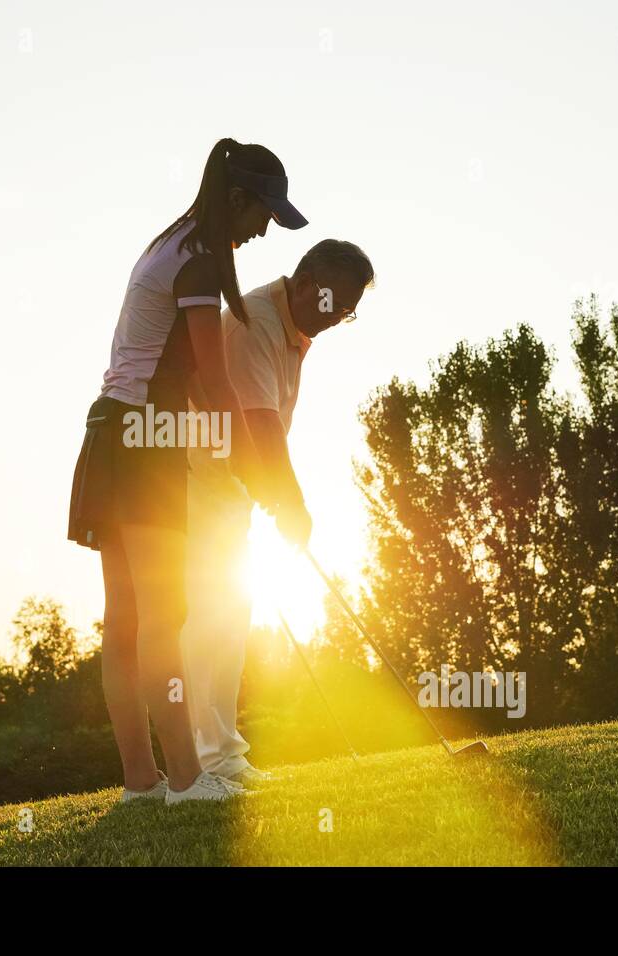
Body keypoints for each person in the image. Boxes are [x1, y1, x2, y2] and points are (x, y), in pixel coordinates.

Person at [68, 139, 308, 804]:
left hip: (110, 431)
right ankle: (185, 778)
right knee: (163, 616)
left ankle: (142, 783)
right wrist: (255, 469)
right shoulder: (201, 261)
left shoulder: (171, 243)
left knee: (126, 621)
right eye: (263, 213)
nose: (264, 229)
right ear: (236, 200)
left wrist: (248, 469)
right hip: (143, 441)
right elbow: (215, 380)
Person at [182, 239, 376, 785]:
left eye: (349, 312)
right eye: (336, 304)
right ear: (308, 281)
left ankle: (224, 755)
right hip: (196, 481)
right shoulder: (257, 323)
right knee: (208, 621)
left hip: (229, 487)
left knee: (230, 617)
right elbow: (260, 424)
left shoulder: (294, 328)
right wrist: (292, 505)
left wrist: (271, 494)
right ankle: (205, 762)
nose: (339, 319)